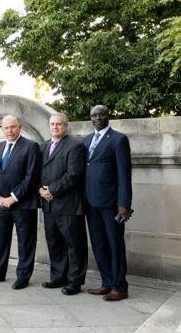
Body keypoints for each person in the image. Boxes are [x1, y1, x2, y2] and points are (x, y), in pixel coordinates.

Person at [0, 115, 41, 290]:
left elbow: (31, 177)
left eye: (13, 127)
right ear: (2, 129)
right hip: (1, 204)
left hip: (23, 204)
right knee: (0, 239)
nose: (10, 130)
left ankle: (23, 276)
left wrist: (13, 197)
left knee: (25, 241)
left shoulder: (31, 147)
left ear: (19, 127)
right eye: (6, 128)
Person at [84, 105, 132, 301]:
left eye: (101, 114)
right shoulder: (87, 140)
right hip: (90, 203)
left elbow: (124, 174)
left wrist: (124, 204)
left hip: (111, 203)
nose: (97, 118)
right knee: (98, 244)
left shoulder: (119, 139)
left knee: (115, 245)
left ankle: (120, 287)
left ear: (108, 116)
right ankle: (107, 282)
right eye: (94, 115)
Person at [38, 113, 87, 295]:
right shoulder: (43, 146)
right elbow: (36, 172)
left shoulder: (75, 146)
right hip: (48, 205)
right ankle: (58, 277)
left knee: (74, 245)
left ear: (66, 126)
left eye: (59, 124)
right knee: (54, 243)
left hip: (68, 205)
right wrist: (40, 190)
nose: (55, 127)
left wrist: (51, 190)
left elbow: (73, 175)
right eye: (52, 124)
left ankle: (75, 281)